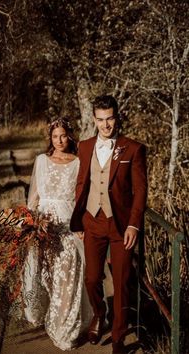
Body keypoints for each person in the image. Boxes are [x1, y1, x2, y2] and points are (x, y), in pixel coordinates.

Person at [70, 95, 147, 354]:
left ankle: (118, 337)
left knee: (122, 281)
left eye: (110, 118)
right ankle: (99, 314)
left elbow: (140, 190)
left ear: (117, 116)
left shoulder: (133, 148)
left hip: (120, 225)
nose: (106, 125)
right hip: (92, 220)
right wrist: (78, 218)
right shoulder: (85, 146)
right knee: (92, 279)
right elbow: (82, 184)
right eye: (101, 120)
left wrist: (134, 226)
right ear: (94, 119)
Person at [22, 118, 92, 351]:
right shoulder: (41, 161)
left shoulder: (79, 163)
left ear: (69, 136)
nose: (59, 141)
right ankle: (50, 312)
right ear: (50, 139)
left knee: (68, 278)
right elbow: (34, 198)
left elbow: (83, 199)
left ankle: (65, 329)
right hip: (44, 228)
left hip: (68, 226)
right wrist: (29, 225)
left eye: (63, 135)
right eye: (55, 136)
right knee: (48, 278)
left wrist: (82, 226)